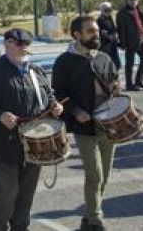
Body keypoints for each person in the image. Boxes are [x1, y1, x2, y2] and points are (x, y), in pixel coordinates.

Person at [0, 28, 64, 231]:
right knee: (6, 193)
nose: (23, 48)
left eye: (26, 45)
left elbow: (48, 94)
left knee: (26, 194)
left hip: (34, 143)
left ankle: (21, 227)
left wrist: (55, 106)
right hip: (2, 143)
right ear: (6, 44)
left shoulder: (35, 71)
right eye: (19, 44)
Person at [52, 16, 119, 231]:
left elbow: (114, 81)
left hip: (108, 125)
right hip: (84, 128)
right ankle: (96, 219)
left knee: (105, 177)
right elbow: (58, 94)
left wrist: (116, 88)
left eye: (97, 30)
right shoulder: (64, 62)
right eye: (90, 31)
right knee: (95, 175)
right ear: (77, 35)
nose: (96, 34)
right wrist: (75, 111)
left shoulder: (104, 58)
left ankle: (87, 219)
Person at [116, 0, 143, 91]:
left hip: (140, 39)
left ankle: (139, 81)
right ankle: (129, 84)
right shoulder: (122, 13)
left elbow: (141, 23)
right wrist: (123, 43)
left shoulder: (138, 10)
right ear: (126, 0)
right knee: (129, 64)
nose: (133, 1)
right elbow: (121, 29)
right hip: (129, 41)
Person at [96, 2, 121, 71]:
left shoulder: (110, 18)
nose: (108, 11)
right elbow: (103, 34)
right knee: (109, 66)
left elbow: (113, 30)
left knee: (117, 65)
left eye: (109, 9)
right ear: (101, 10)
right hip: (105, 47)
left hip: (113, 45)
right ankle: (109, 80)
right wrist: (112, 38)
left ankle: (113, 80)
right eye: (106, 10)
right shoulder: (100, 20)